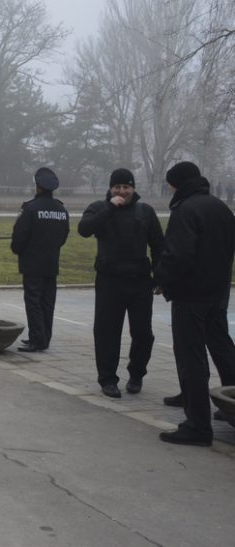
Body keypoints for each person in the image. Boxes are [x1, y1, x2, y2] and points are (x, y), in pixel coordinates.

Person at [152, 161, 235, 446]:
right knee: (222, 347)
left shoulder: (185, 210)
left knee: (191, 357)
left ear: (177, 184)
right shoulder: (220, 207)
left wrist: (161, 279)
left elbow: (178, 255)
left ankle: (197, 424)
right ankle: (229, 404)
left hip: (191, 294)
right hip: (217, 291)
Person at [77, 168, 164, 398]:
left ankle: (136, 374)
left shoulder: (145, 211)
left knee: (143, 334)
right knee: (107, 332)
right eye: (117, 187)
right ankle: (107, 379)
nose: (122, 191)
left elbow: (158, 245)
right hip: (109, 280)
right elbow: (84, 230)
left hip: (139, 281)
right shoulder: (99, 207)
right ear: (110, 188)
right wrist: (109, 207)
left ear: (133, 188)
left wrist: (160, 276)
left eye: (126, 187)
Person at [11, 167, 70, 353]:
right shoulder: (61, 209)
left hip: (32, 263)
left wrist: (17, 249)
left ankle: (37, 339)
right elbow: (63, 236)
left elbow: (20, 236)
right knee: (47, 302)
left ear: (37, 186)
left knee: (33, 302)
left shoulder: (30, 208)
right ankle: (44, 337)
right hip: (51, 262)